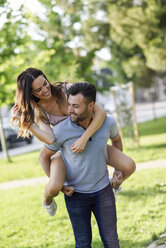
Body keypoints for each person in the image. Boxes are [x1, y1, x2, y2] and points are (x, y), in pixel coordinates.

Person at [11, 67, 135, 216]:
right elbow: (50, 139)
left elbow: (100, 112)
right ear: (31, 93)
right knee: (55, 187)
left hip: (90, 143)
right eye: (38, 90)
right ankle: (46, 200)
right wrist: (28, 124)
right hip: (66, 151)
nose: (45, 90)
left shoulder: (66, 89)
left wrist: (83, 139)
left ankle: (112, 187)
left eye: (45, 83)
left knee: (129, 166)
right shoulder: (39, 110)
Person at [39, 82, 135, 247]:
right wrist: (60, 186)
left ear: (91, 105)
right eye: (69, 104)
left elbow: (116, 140)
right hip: (76, 195)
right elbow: (44, 156)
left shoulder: (108, 122)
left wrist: (117, 171)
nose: (69, 110)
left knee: (112, 242)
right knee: (83, 244)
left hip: (104, 191)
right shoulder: (61, 130)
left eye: (76, 106)